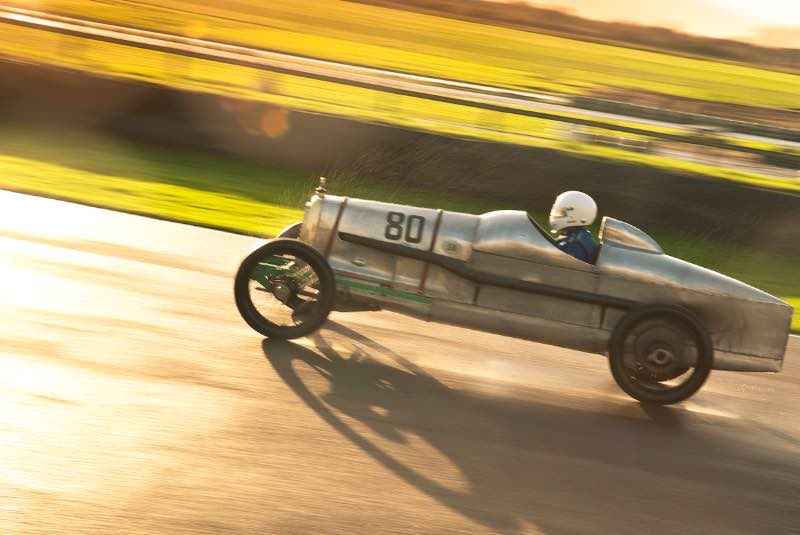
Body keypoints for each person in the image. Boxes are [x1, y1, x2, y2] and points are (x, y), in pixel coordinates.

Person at [549, 191, 598, 263]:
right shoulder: (583, 237)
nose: (557, 214)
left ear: (575, 215)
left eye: (562, 212)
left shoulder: (572, 246)